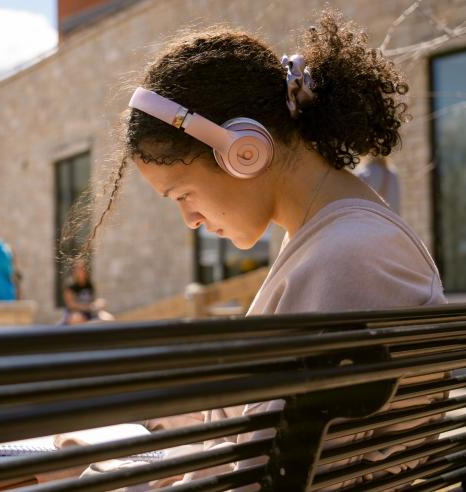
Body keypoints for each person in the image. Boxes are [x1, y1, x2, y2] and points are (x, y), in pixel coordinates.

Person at [57, 10, 446, 490]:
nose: (190, 219)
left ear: (245, 150)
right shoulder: (340, 240)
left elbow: (262, 475)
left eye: (183, 195)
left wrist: (113, 472)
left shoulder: (347, 256)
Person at [62, 260, 113, 325]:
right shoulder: (70, 286)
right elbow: (71, 305)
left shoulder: (90, 284)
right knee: (77, 318)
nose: (80, 272)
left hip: (90, 312)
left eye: (82, 269)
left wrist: (98, 303)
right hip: (74, 313)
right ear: (74, 272)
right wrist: (88, 307)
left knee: (109, 318)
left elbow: (93, 300)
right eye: (78, 270)